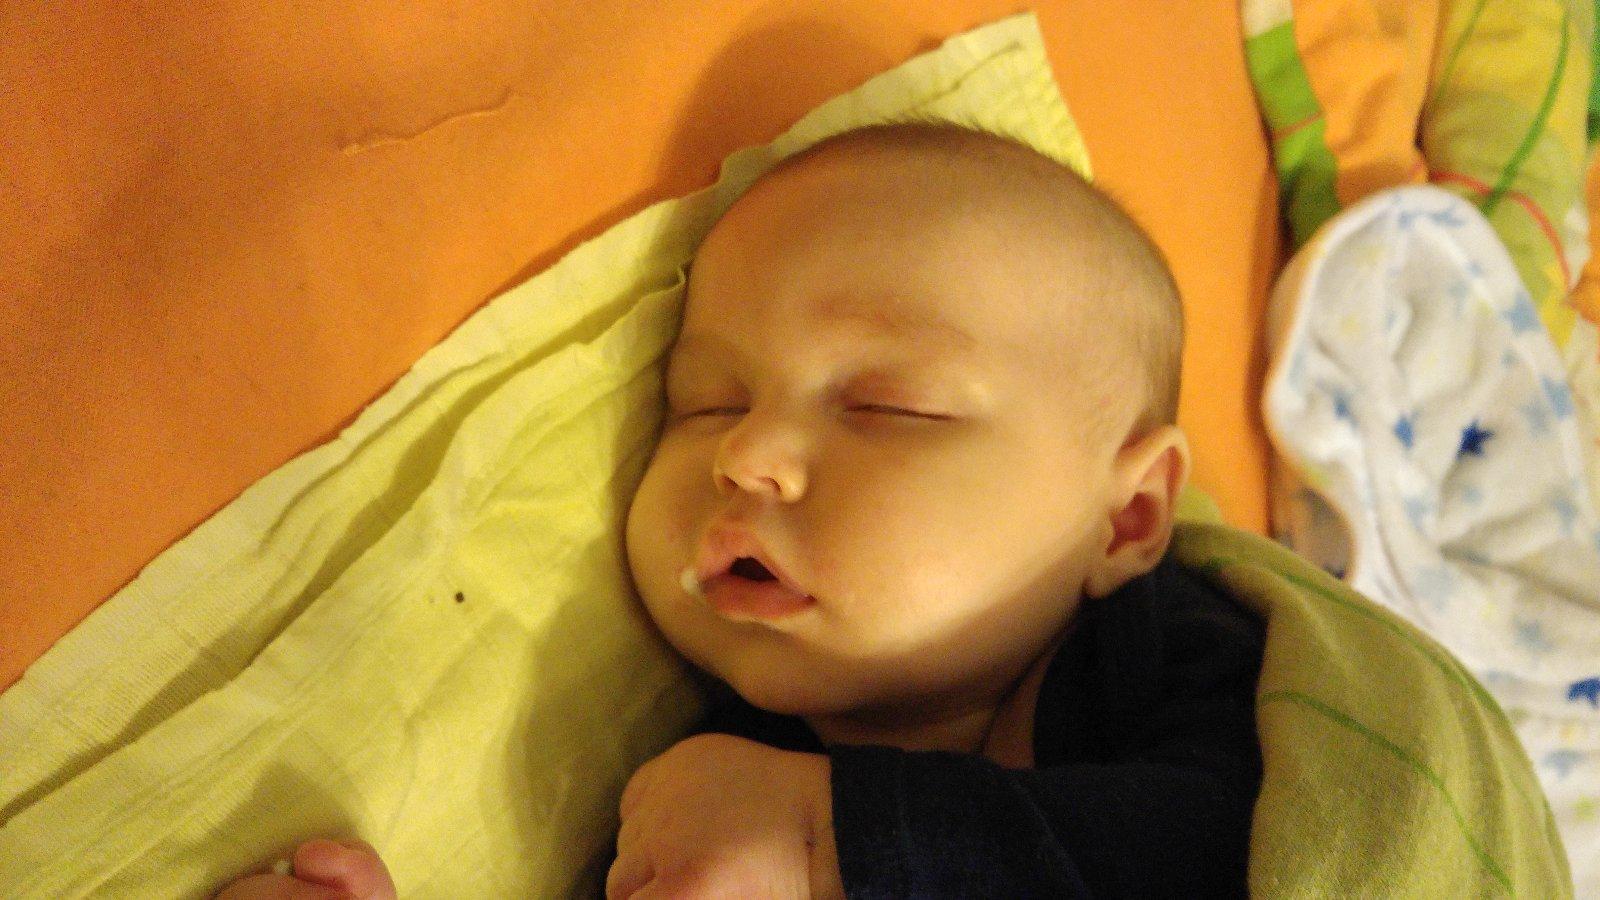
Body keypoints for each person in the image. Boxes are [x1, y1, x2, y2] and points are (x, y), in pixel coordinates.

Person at [215, 122, 1265, 899]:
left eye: (885, 407)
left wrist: (827, 837)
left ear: (1126, 519)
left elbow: (1238, 861)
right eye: (707, 403)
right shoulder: (707, 777)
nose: (744, 455)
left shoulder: (1195, 675)